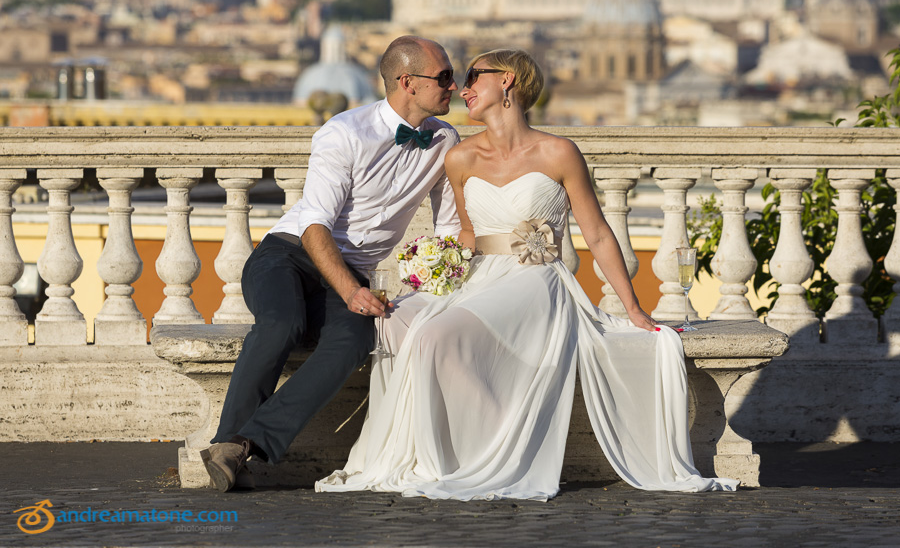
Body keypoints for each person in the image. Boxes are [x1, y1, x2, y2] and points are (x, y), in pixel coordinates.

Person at [316, 49, 739, 501]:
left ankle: (489, 446)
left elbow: (596, 233)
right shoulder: (458, 158)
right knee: (392, 319)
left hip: (537, 281)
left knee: (434, 335)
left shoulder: (558, 152)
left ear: (509, 81)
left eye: (476, 75)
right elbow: (465, 234)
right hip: (479, 275)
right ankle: (467, 433)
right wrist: (433, 272)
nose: (463, 86)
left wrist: (633, 307)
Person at [201, 36, 462, 492]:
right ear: (407, 82)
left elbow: (450, 226)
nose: (453, 85)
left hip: (351, 273)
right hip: (288, 255)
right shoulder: (344, 132)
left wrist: (445, 275)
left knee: (354, 340)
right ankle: (226, 443)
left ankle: (241, 447)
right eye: (443, 77)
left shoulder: (445, 140)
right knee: (282, 323)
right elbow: (315, 226)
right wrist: (350, 290)